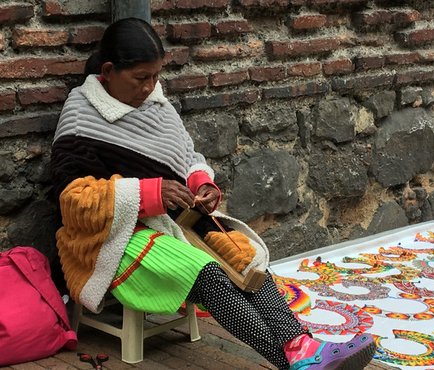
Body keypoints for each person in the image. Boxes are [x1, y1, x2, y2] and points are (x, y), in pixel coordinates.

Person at [50, 17, 375, 370]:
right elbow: (73, 199)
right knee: (207, 272)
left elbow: (188, 157)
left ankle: (302, 346)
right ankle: (293, 362)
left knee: (245, 260)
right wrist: (150, 193)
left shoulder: (159, 107)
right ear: (109, 70)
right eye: (141, 77)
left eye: (156, 76)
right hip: (110, 236)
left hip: (174, 223)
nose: (150, 87)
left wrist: (201, 184)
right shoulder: (82, 112)